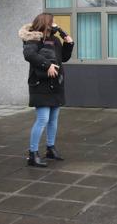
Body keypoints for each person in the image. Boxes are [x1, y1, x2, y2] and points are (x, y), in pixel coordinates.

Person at [20, 13, 74, 167]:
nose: (54, 24)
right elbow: (29, 54)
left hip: (56, 84)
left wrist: (68, 41)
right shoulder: (34, 38)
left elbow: (63, 58)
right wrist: (47, 65)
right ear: (45, 23)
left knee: (54, 118)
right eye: (52, 22)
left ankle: (50, 148)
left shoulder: (55, 40)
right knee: (43, 119)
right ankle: (33, 154)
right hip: (40, 85)